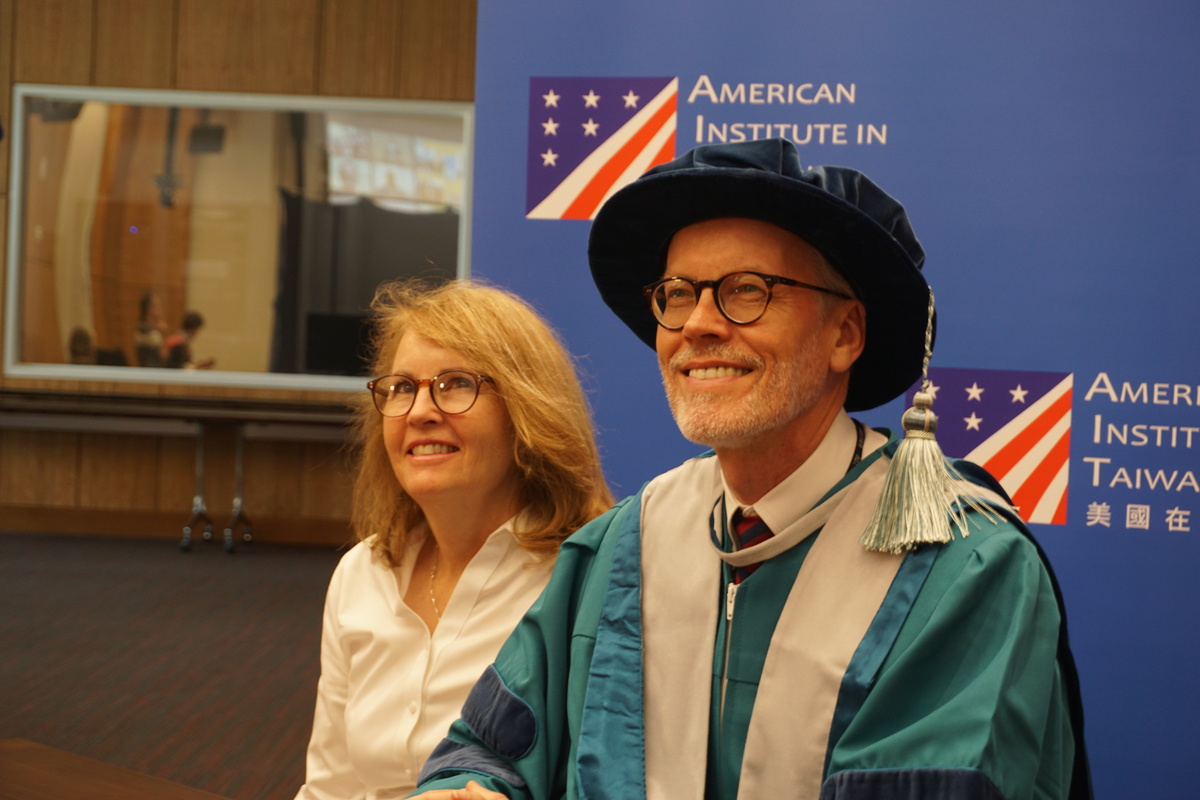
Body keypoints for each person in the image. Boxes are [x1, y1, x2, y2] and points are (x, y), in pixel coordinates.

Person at [413, 140, 1092, 799]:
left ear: (844, 335)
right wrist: (472, 790)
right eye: (677, 293)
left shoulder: (961, 567)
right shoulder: (626, 545)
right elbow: (490, 744)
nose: (698, 324)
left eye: (746, 289)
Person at [294, 279, 613, 800]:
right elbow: (329, 789)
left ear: (526, 411)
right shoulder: (362, 572)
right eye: (401, 388)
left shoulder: (584, 579)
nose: (419, 411)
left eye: (455, 384)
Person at [134, 290, 167, 367]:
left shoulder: (154, 330)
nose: (159, 308)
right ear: (148, 308)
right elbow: (161, 353)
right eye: (156, 305)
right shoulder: (142, 328)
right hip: (149, 371)